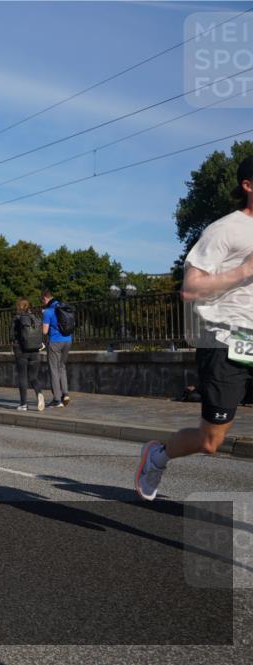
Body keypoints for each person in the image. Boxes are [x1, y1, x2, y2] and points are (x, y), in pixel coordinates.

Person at [136, 155, 253, 501]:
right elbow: (190, 287)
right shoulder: (225, 229)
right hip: (226, 341)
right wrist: (243, 272)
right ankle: (158, 456)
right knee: (211, 440)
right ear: (248, 186)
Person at [11, 298, 46, 412]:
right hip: (35, 350)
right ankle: (39, 393)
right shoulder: (35, 318)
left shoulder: (17, 318)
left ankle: (23, 404)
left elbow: (12, 336)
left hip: (21, 351)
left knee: (22, 377)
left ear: (19, 307)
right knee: (33, 377)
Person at [41, 290, 72, 407]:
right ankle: (66, 394)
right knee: (62, 367)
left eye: (42, 301)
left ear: (45, 298)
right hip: (68, 340)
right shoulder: (63, 307)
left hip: (55, 342)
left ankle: (57, 399)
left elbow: (44, 331)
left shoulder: (48, 312)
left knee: (54, 370)